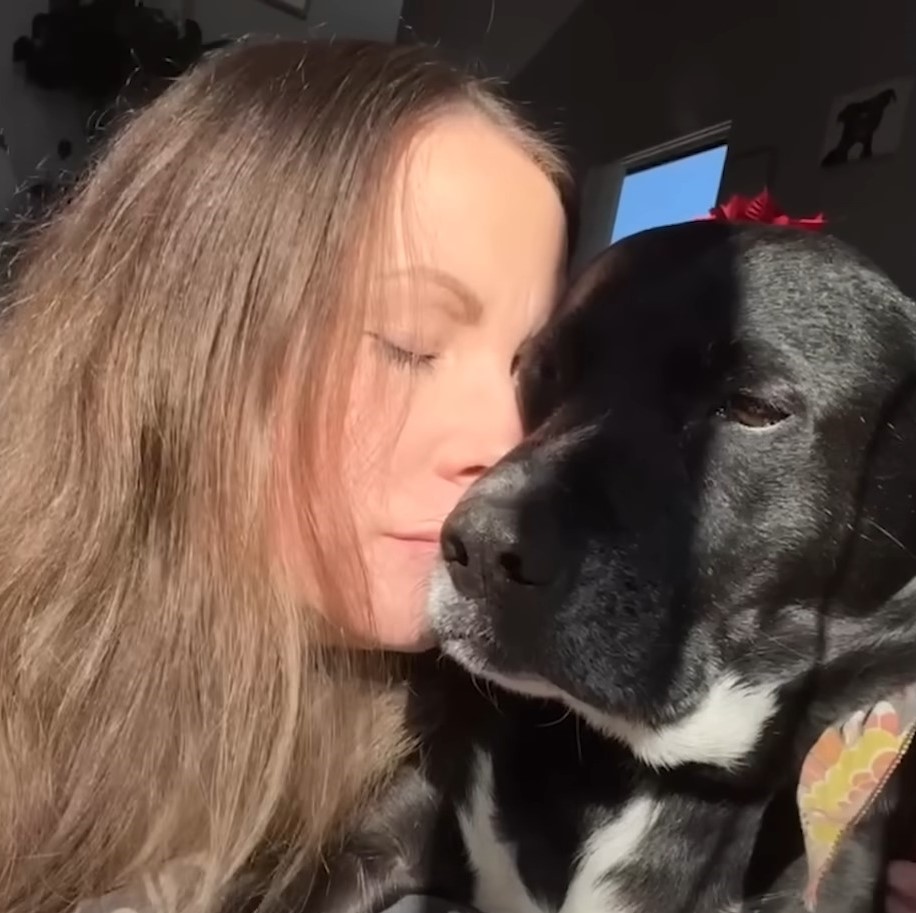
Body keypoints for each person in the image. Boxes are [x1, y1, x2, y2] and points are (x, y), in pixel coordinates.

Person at [0, 37, 571, 913]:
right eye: (409, 343)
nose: (507, 441)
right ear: (185, 342)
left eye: (531, 369)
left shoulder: (512, 792)